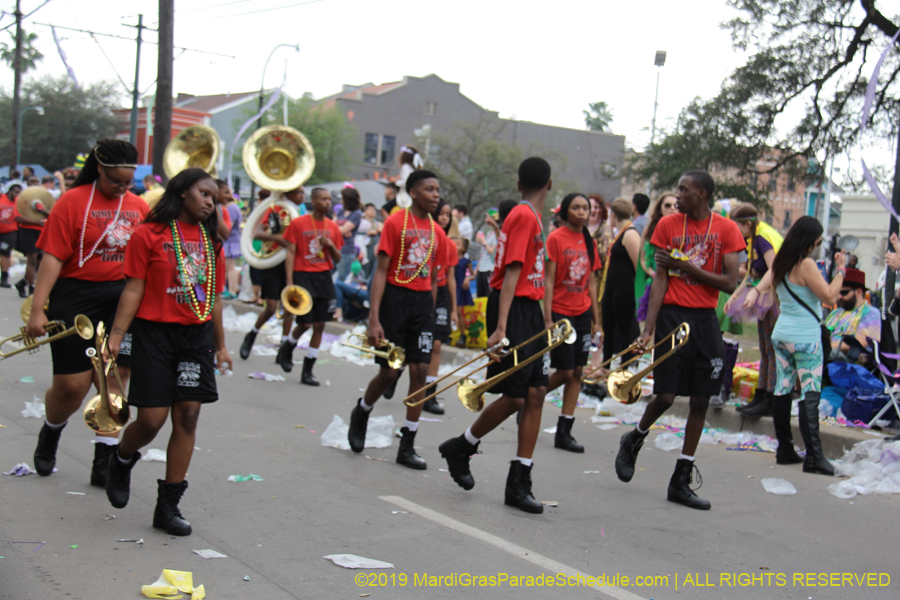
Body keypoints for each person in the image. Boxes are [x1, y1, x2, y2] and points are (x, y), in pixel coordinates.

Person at [104, 168, 230, 536]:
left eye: (214, 197)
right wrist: (116, 336)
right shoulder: (148, 234)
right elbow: (133, 289)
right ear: (183, 192)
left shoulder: (211, 241)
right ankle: (121, 459)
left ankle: (168, 506)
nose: (210, 202)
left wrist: (222, 346)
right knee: (151, 420)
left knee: (188, 416)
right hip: (154, 334)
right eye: (204, 193)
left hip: (196, 336)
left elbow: (215, 298)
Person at [615, 171, 745, 510]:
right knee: (666, 396)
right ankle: (634, 438)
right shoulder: (668, 225)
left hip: (705, 319)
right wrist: (648, 329)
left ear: (702, 194)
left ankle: (681, 479)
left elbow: (730, 282)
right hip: (672, 317)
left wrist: (684, 266)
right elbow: (660, 280)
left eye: (684, 190)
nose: (677, 195)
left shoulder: (727, 229)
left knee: (702, 399)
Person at [26, 140, 148, 487]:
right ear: (99, 170)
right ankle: (51, 430)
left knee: (114, 378)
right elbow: (52, 257)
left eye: (128, 182)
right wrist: (37, 310)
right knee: (72, 386)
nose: (122, 188)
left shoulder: (139, 206)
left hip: (121, 299)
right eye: (115, 181)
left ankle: (104, 460)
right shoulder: (72, 201)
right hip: (74, 298)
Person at [439, 157, 553, 514]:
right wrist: (501, 327)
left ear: (519, 184)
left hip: (529, 309)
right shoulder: (523, 215)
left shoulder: (529, 216)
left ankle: (519, 480)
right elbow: (513, 270)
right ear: (549, 184)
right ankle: (462, 445)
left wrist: (542, 317)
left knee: (536, 393)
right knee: (516, 396)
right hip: (512, 307)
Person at [347, 169, 450, 470]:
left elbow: (433, 278)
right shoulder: (395, 223)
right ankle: (362, 410)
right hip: (394, 299)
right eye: (429, 189)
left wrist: (430, 315)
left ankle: (407, 445)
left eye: (437, 190)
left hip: (422, 305)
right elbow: (380, 272)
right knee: (390, 373)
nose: (435, 195)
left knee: (420, 370)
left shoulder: (439, 233)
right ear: (413, 193)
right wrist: (373, 319)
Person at [744, 216, 845, 474]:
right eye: (817, 242)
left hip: (782, 334)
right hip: (805, 337)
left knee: (782, 389)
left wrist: (755, 291)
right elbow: (829, 295)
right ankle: (814, 457)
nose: (817, 247)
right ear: (809, 241)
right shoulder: (805, 264)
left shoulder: (781, 262)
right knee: (810, 393)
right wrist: (841, 271)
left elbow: (769, 282)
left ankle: (785, 449)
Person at [543, 193, 601, 453]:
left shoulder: (590, 241)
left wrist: (596, 320)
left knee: (577, 372)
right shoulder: (555, 239)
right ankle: (531, 397)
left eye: (585, 208)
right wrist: (547, 318)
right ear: (565, 211)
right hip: (560, 313)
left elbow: (591, 283)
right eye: (576, 208)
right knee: (565, 372)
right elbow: (548, 281)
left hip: (583, 313)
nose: (581, 212)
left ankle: (564, 431)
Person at [277, 187, 343, 386]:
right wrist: (289, 282)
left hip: (324, 277)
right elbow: (290, 253)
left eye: (329, 199)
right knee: (305, 323)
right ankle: (287, 347)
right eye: (323, 199)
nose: (328, 203)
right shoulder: (298, 224)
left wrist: (331, 245)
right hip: (303, 276)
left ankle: (308, 371)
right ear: (313, 202)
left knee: (320, 324)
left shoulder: (333, 227)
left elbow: (338, 258)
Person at [722, 204, 783, 414]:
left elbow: (774, 269)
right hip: (764, 295)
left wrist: (756, 291)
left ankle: (770, 398)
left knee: (771, 349)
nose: (735, 231)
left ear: (747, 224)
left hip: (773, 297)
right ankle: (760, 395)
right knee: (765, 348)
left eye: (736, 226)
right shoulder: (754, 238)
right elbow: (751, 273)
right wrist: (735, 295)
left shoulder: (763, 237)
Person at [238, 188, 304, 360]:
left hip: (292, 263)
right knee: (271, 307)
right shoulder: (276, 209)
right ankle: (252, 335)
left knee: (289, 307)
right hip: (274, 262)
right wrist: (275, 238)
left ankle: (283, 349)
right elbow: (257, 233)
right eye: (299, 193)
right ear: (289, 193)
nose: (302, 196)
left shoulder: (302, 213)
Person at [421, 199, 457, 415]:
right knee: (417, 342)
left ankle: (429, 394)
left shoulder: (450, 245)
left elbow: (450, 278)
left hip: (441, 294)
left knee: (436, 345)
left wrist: (454, 309)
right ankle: (394, 374)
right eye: (441, 213)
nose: (444, 218)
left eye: (448, 214)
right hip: (422, 289)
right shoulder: (425, 237)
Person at [601, 198, 641, 365]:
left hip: (624, 288)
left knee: (624, 327)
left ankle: (625, 364)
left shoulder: (630, 233)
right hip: (612, 287)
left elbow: (638, 264)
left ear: (614, 215)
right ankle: (606, 363)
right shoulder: (618, 233)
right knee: (608, 326)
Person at [635, 193, 678, 321]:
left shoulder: (684, 230)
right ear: (660, 209)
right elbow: (644, 260)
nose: (672, 208)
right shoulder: (649, 230)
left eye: (676, 205)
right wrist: (655, 275)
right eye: (667, 205)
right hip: (656, 283)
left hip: (677, 285)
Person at [823, 267, 880, 362]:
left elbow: (860, 343)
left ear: (858, 292)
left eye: (844, 292)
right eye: (838, 292)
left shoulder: (871, 313)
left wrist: (825, 347)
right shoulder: (835, 313)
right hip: (828, 355)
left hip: (851, 360)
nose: (839, 296)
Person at [15, 183, 47, 299]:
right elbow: (19, 218)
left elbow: (51, 214)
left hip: (42, 232)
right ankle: (31, 288)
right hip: (28, 231)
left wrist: (43, 211)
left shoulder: (44, 201)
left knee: (40, 261)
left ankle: (23, 282)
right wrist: (39, 223)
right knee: (32, 260)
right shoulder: (22, 200)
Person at [218, 180, 243, 299]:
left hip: (230, 241)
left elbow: (228, 227)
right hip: (230, 241)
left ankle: (233, 290)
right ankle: (229, 289)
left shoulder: (232, 208)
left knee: (230, 267)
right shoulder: (232, 207)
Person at [335, 187, 363, 282]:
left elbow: (342, 230)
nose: (341, 200)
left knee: (341, 279)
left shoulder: (357, 213)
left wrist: (339, 230)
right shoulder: (341, 211)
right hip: (335, 248)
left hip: (346, 251)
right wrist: (341, 229)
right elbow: (330, 227)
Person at [475, 208, 500, 298]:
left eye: (488, 216)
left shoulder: (496, 234)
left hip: (489, 268)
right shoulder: (489, 232)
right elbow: (483, 254)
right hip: (482, 268)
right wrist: (476, 269)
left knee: (487, 295)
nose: (486, 219)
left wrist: (483, 242)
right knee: (480, 295)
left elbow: (492, 252)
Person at [0, 184, 21, 287]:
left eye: (19, 193)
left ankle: (4, 278)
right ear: (10, 191)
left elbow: (19, 217)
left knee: (5, 254)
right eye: (15, 192)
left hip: (9, 232)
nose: (17, 195)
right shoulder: (1, 198)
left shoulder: (18, 202)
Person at [455, 238, 474, 344]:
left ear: (463, 248)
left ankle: (463, 335)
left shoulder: (466, 261)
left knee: (458, 312)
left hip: (460, 288)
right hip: (451, 287)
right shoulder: (450, 259)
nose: (454, 246)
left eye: (457, 244)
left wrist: (467, 279)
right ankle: (449, 335)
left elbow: (473, 275)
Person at [363, 203, 382, 278]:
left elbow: (381, 229)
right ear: (365, 211)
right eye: (370, 209)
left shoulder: (376, 223)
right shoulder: (361, 221)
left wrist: (377, 230)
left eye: (374, 210)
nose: (372, 211)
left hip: (372, 250)